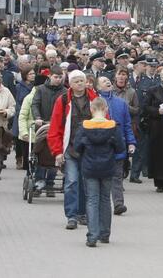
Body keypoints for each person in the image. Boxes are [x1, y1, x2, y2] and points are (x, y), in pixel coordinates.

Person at [49, 69, 98, 230]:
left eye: (81, 80)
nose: (79, 83)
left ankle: (82, 214)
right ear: (70, 83)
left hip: (89, 148)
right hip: (69, 148)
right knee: (71, 181)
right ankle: (71, 215)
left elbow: (104, 120)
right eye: (76, 81)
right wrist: (57, 152)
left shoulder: (94, 99)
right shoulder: (63, 100)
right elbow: (55, 127)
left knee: (85, 182)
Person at [73, 97, 124, 247]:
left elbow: (76, 148)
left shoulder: (84, 127)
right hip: (108, 167)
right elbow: (120, 148)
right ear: (106, 109)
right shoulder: (113, 127)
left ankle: (92, 236)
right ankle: (105, 234)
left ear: (91, 109)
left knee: (92, 200)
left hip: (89, 167)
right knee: (105, 199)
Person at [95, 76, 137, 215]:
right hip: (100, 146)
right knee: (100, 177)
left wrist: (131, 142)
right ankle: (99, 203)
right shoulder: (94, 102)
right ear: (98, 87)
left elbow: (127, 125)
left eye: (108, 80)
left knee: (117, 176)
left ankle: (119, 204)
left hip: (118, 144)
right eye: (103, 81)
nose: (108, 82)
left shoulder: (121, 103)